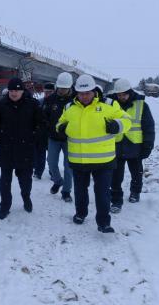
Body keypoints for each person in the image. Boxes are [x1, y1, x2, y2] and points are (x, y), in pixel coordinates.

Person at [56, 74, 131, 233]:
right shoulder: (70, 108)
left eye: (87, 93)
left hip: (103, 161)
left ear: (94, 91)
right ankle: (81, 213)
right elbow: (60, 123)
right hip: (78, 160)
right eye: (80, 93)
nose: (84, 97)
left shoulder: (109, 104)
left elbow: (127, 120)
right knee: (80, 191)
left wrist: (117, 126)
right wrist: (61, 128)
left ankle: (104, 223)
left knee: (102, 193)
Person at [0, 78, 43, 219]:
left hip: (25, 148)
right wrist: (0, 136)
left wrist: (33, 137)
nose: (14, 93)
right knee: (5, 180)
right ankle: (5, 206)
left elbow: (40, 124)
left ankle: (26, 197)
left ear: (22, 91)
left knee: (25, 180)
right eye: (12, 90)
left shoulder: (33, 104)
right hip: (6, 148)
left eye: (17, 90)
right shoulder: (1, 104)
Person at [108, 78, 155, 212]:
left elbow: (149, 127)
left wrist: (148, 145)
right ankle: (116, 200)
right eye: (119, 95)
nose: (121, 97)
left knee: (136, 173)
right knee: (116, 176)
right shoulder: (110, 104)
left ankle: (135, 192)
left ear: (130, 92)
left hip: (135, 146)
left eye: (124, 94)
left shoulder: (141, 105)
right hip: (116, 146)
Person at [42, 72, 75, 202]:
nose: (62, 91)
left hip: (70, 139)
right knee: (51, 163)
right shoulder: (50, 99)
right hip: (53, 137)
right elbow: (44, 116)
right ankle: (58, 181)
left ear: (70, 87)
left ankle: (66, 191)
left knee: (68, 167)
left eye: (65, 88)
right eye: (60, 88)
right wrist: (48, 127)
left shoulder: (76, 100)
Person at [33, 82, 55, 179]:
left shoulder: (57, 102)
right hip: (41, 133)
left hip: (53, 133)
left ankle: (52, 172)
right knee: (39, 154)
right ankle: (38, 172)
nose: (47, 94)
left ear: (53, 92)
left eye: (49, 92)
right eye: (45, 92)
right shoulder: (40, 102)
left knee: (51, 156)